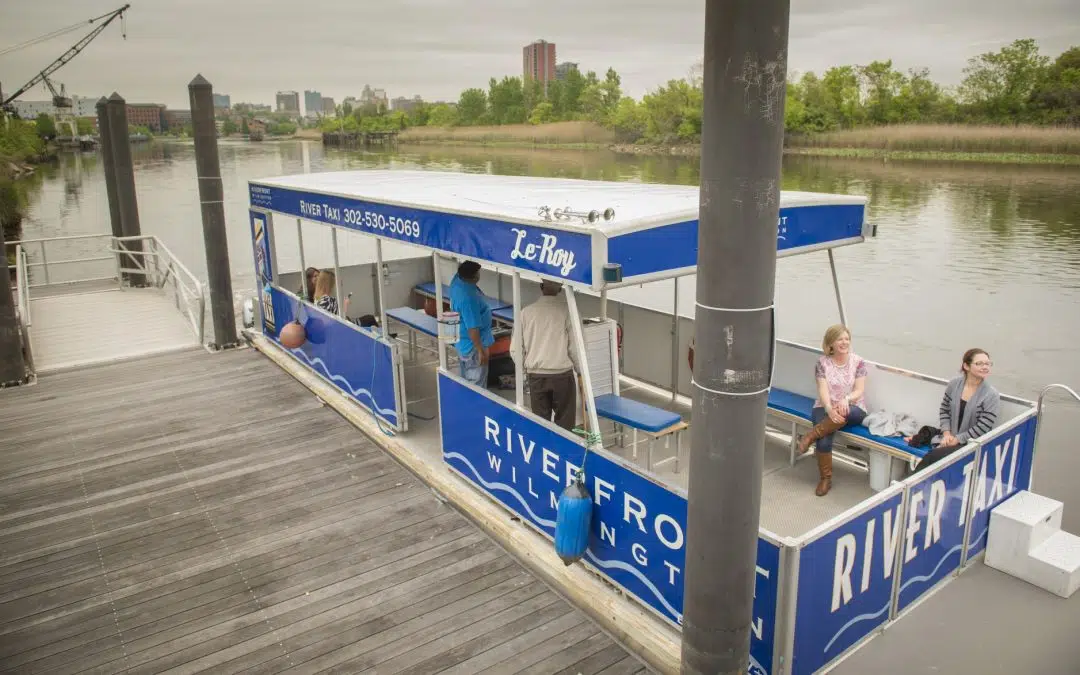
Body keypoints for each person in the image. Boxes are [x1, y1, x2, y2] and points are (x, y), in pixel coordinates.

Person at [798, 324, 868, 497]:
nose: (844, 342)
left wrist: (846, 400)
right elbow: (822, 390)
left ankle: (810, 436)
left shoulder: (858, 362)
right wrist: (829, 408)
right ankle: (825, 479)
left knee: (842, 412)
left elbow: (859, 390)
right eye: (840, 339)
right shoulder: (822, 363)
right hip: (825, 405)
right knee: (824, 440)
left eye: (847, 338)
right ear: (831, 343)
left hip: (853, 408)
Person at [911, 349, 1000, 473]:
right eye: (979, 364)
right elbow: (944, 410)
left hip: (971, 445)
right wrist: (947, 434)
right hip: (949, 438)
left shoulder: (991, 395)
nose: (985, 367)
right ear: (966, 366)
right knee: (932, 453)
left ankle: (910, 487)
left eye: (988, 364)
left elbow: (983, 426)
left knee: (933, 457)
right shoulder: (954, 384)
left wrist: (958, 439)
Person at [512, 279, 580, 430]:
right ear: (560, 289)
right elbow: (575, 347)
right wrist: (580, 369)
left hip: (536, 375)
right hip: (562, 375)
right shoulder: (567, 311)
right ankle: (562, 451)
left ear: (541, 287)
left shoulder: (525, 313)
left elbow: (515, 349)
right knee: (565, 423)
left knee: (540, 424)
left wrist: (525, 370)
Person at [449, 260, 494, 387]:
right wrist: (480, 349)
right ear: (474, 276)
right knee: (476, 384)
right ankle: (476, 406)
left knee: (466, 380)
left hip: (462, 342)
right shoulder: (468, 298)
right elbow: (473, 328)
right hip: (472, 346)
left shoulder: (457, 282)